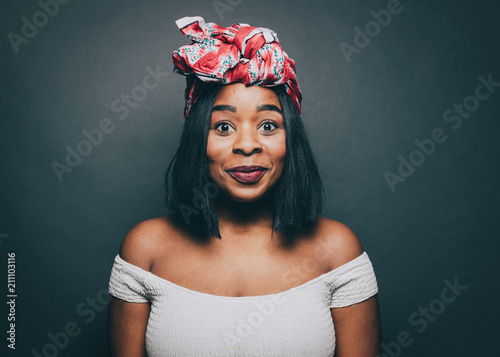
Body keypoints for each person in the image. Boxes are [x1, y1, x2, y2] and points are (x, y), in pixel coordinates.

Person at [107, 16, 381, 357]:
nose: (247, 145)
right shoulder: (145, 250)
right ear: (198, 141)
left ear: (290, 142)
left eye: (268, 125)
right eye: (223, 126)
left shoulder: (338, 252)